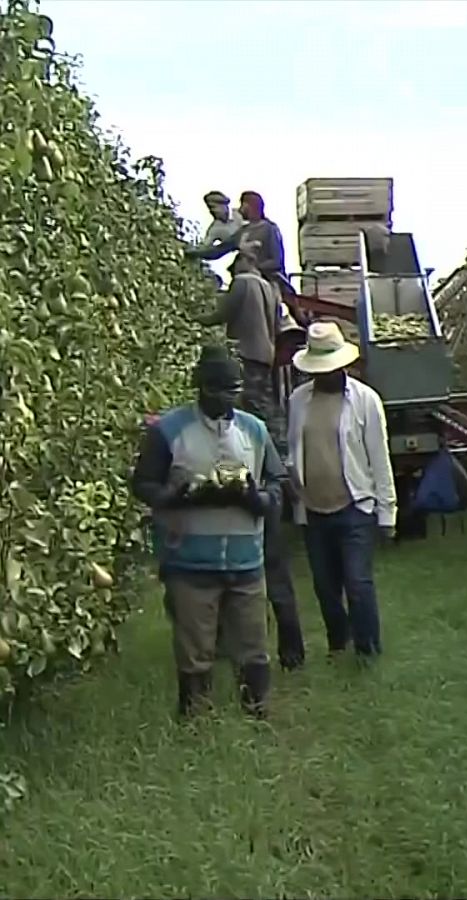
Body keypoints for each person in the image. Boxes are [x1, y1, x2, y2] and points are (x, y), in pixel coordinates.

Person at [130, 345, 287, 718]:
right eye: (217, 392)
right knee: (195, 648)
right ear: (200, 388)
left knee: (252, 644)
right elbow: (143, 484)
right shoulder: (170, 431)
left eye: (232, 393)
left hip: (245, 559)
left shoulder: (254, 430)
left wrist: (257, 498)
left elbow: (279, 482)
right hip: (189, 561)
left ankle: (257, 714)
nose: (226, 401)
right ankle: (196, 719)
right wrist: (179, 495)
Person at [196, 252, 306, 668]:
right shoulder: (268, 286)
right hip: (265, 357)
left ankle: (236, 649)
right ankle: (291, 649)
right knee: (276, 574)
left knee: (258, 573)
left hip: (249, 358)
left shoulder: (242, 283)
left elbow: (219, 314)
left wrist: (198, 316)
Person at [285, 321, 398, 662]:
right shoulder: (298, 401)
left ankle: (368, 651)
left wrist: (387, 512)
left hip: (354, 507)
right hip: (314, 508)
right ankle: (339, 642)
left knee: (358, 582)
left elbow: (379, 457)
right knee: (325, 585)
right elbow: (295, 449)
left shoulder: (365, 400)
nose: (327, 375)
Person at [189, 190, 290, 297]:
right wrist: (194, 252)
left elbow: (276, 262)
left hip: (267, 284)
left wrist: (253, 268)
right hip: (243, 283)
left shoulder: (270, 229)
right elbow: (218, 250)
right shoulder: (243, 231)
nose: (240, 209)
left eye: (243, 205)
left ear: (251, 207)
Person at [194, 190, 244, 255]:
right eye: (209, 208)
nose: (212, 211)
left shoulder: (240, 214)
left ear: (224, 205)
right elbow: (205, 246)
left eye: (214, 207)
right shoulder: (215, 228)